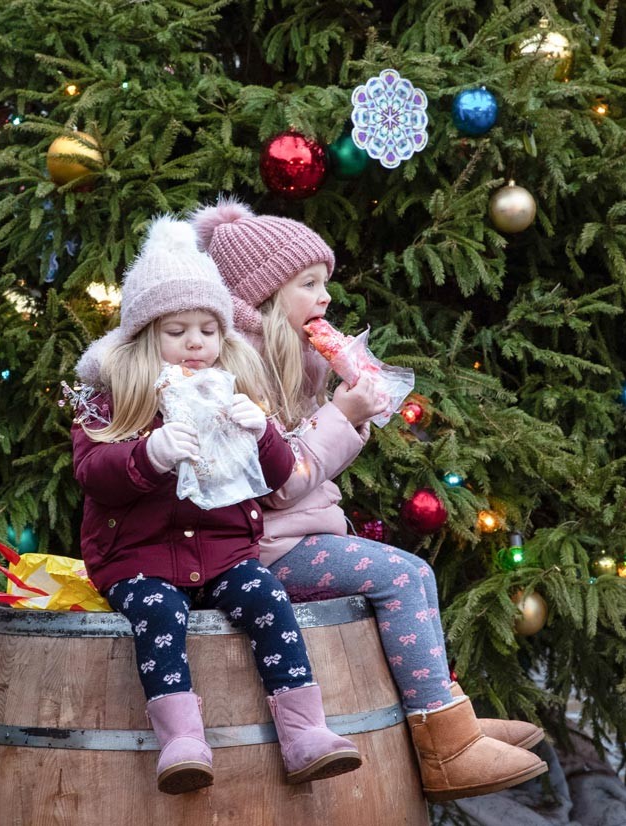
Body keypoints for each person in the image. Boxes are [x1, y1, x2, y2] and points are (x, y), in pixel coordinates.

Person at [191, 198, 549, 802]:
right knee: (406, 576)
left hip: (287, 534)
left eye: (324, 282)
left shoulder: (295, 358)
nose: (325, 298)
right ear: (263, 298)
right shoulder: (235, 375)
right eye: (308, 284)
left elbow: (307, 464)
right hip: (253, 552)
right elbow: (279, 481)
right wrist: (341, 413)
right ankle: (446, 745)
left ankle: (445, 711)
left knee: (401, 575)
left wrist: (350, 411)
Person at [71, 216, 361, 796]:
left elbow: (279, 478)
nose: (196, 343)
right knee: (158, 614)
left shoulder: (232, 388)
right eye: (177, 330)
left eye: (208, 329)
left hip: (225, 553)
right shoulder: (114, 396)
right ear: (144, 335)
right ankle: (181, 740)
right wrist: (148, 454)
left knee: (266, 597)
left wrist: (264, 435)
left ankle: (305, 733)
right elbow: (92, 473)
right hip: (139, 558)